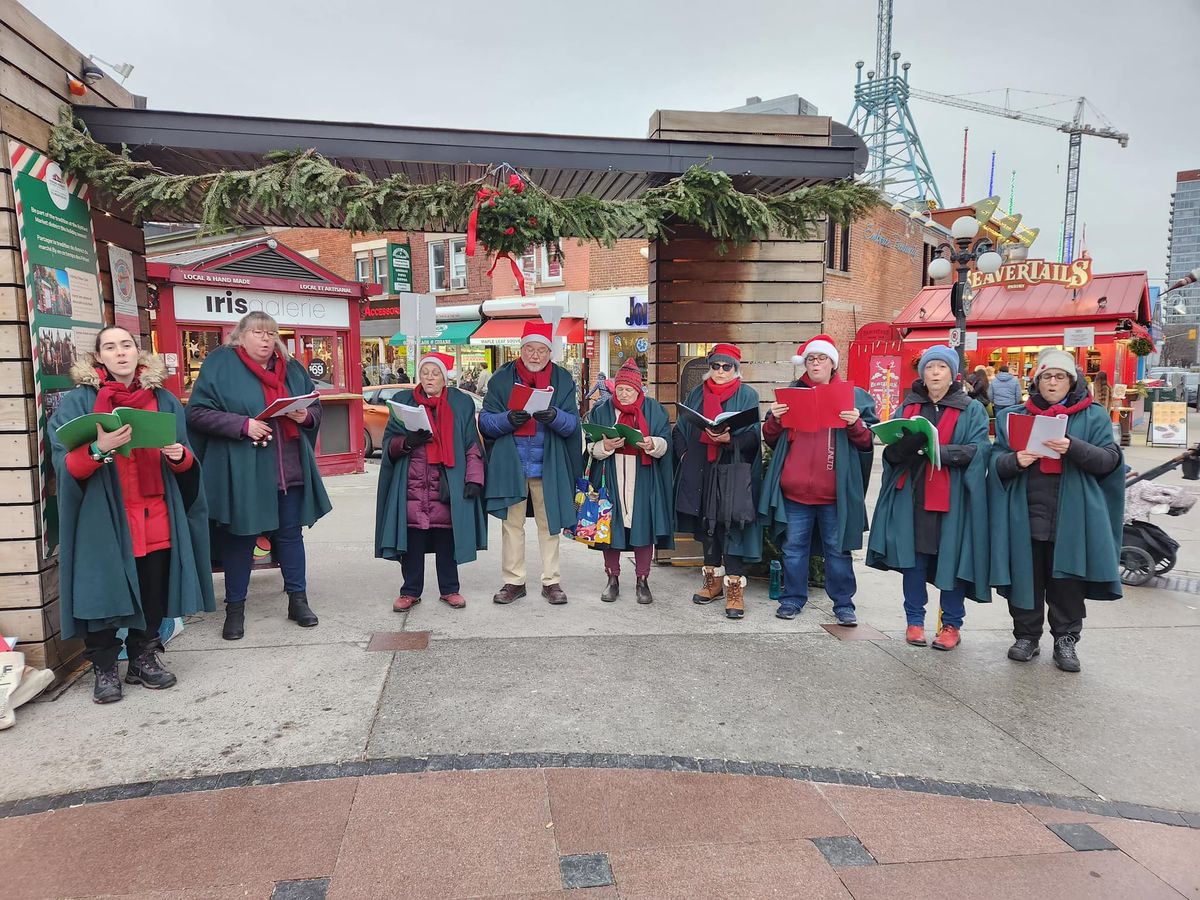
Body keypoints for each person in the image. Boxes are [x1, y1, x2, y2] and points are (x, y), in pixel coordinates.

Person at [49, 327, 215, 704]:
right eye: (110, 347)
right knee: (101, 588)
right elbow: (63, 462)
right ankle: (105, 666)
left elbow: (187, 455)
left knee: (152, 585)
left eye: (126, 345)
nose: (120, 352)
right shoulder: (79, 402)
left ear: (139, 352)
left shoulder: (165, 399)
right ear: (99, 357)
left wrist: (179, 457)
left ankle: (143, 657)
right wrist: (97, 448)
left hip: (154, 510)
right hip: (104, 514)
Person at [186, 312, 332, 640]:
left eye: (270, 334)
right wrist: (242, 425)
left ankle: (298, 601)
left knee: (290, 535)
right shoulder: (220, 365)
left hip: (287, 467)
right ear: (241, 336)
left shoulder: (291, 368)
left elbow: (315, 407)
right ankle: (234, 610)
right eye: (257, 333)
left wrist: (304, 415)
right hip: (243, 470)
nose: (265, 340)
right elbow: (196, 413)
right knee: (240, 538)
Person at [990, 349, 1123, 672]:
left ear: (1071, 381)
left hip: (1072, 516)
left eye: (1059, 376)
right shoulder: (1015, 415)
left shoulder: (1093, 416)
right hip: (1027, 513)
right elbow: (995, 461)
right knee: (1026, 577)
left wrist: (1073, 447)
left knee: (1067, 581)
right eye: (1046, 376)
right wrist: (1014, 461)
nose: (1052, 382)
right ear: (1036, 382)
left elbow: (1110, 460)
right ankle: (1026, 636)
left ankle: (1066, 640)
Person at [866, 346, 990, 650]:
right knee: (914, 561)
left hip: (953, 499)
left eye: (941, 368)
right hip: (913, 496)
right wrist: (905, 445)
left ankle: (951, 625)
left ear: (952, 374)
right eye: (929, 367)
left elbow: (979, 449)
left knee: (952, 560)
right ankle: (914, 621)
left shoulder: (970, 408)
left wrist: (939, 452)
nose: (935, 373)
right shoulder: (908, 408)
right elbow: (892, 455)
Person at [760, 335, 878, 624]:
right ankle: (792, 599)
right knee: (793, 549)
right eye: (811, 359)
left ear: (832, 363)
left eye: (821, 358)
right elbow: (772, 440)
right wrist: (773, 420)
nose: (815, 364)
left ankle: (843, 604)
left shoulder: (854, 397)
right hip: (796, 491)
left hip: (833, 493)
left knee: (838, 552)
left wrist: (856, 424)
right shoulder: (791, 393)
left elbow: (866, 443)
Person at [480, 322, 582, 604]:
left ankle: (552, 581)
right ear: (520, 349)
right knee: (511, 526)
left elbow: (573, 423)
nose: (534, 355)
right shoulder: (501, 379)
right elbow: (486, 422)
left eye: (541, 350)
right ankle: (514, 582)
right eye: (529, 349)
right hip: (512, 464)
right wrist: (507, 419)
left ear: (549, 352)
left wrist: (554, 416)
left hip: (547, 464)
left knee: (549, 525)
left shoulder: (562, 380)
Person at [375, 352, 487, 610]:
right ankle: (410, 591)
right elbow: (389, 444)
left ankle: (450, 589)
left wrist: (474, 479)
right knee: (412, 539)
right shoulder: (403, 401)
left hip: (447, 484)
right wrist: (407, 443)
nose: (429, 377)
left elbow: (471, 445)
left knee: (446, 539)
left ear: (444, 378)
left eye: (435, 373)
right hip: (412, 485)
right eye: (425, 372)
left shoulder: (460, 403)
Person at [673, 343, 762, 619]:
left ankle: (735, 589)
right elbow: (680, 429)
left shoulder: (748, 395)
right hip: (701, 467)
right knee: (706, 525)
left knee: (731, 526)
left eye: (727, 367)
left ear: (736, 369)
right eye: (715, 366)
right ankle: (712, 582)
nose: (720, 371)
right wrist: (685, 453)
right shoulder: (696, 393)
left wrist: (729, 439)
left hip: (731, 469)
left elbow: (753, 437)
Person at [586, 359, 674, 604]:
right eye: (621, 389)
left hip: (643, 476)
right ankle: (612, 578)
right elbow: (589, 446)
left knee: (642, 527)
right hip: (611, 475)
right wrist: (603, 446)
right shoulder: (601, 411)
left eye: (629, 390)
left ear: (638, 390)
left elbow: (667, 441)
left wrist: (653, 444)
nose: (624, 394)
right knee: (610, 527)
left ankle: (642, 580)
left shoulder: (654, 410)